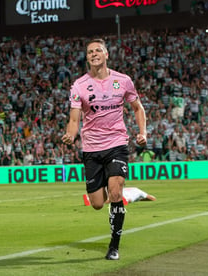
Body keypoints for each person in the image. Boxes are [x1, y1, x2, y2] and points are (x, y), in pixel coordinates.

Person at [62, 38, 147, 260]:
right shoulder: (79, 85)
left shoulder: (123, 80)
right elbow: (74, 118)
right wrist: (71, 134)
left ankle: (114, 245)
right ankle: (123, 194)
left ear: (106, 55)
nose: (93, 54)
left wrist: (142, 132)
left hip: (117, 144)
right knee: (98, 204)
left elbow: (137, 108)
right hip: (91, 148)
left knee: (115, 192)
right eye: (90, 51)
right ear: (87, 57)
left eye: (98, 50)